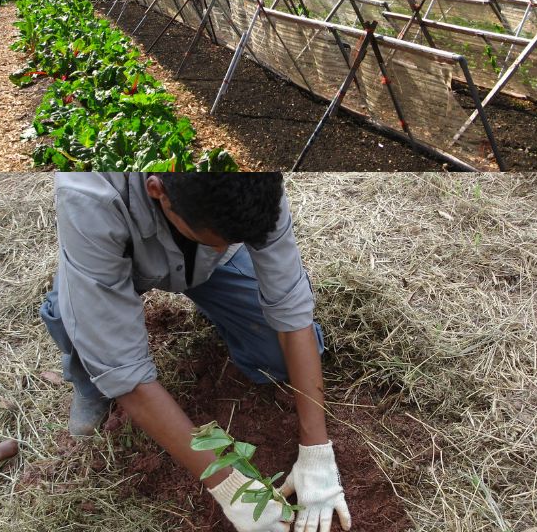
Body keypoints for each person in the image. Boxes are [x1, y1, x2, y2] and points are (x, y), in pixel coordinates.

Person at [40, 173, 352, 532]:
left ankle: (215, 295)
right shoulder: (87, 195)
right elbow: (121, 364)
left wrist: (316, 449)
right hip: (118, 255)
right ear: (157, 191)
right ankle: (87, 382)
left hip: (210, 259)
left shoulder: (255, 186)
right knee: (78, 320)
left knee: (277, 355)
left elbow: (290, 305)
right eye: (213, 240)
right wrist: (231, 488)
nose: (220, 245)